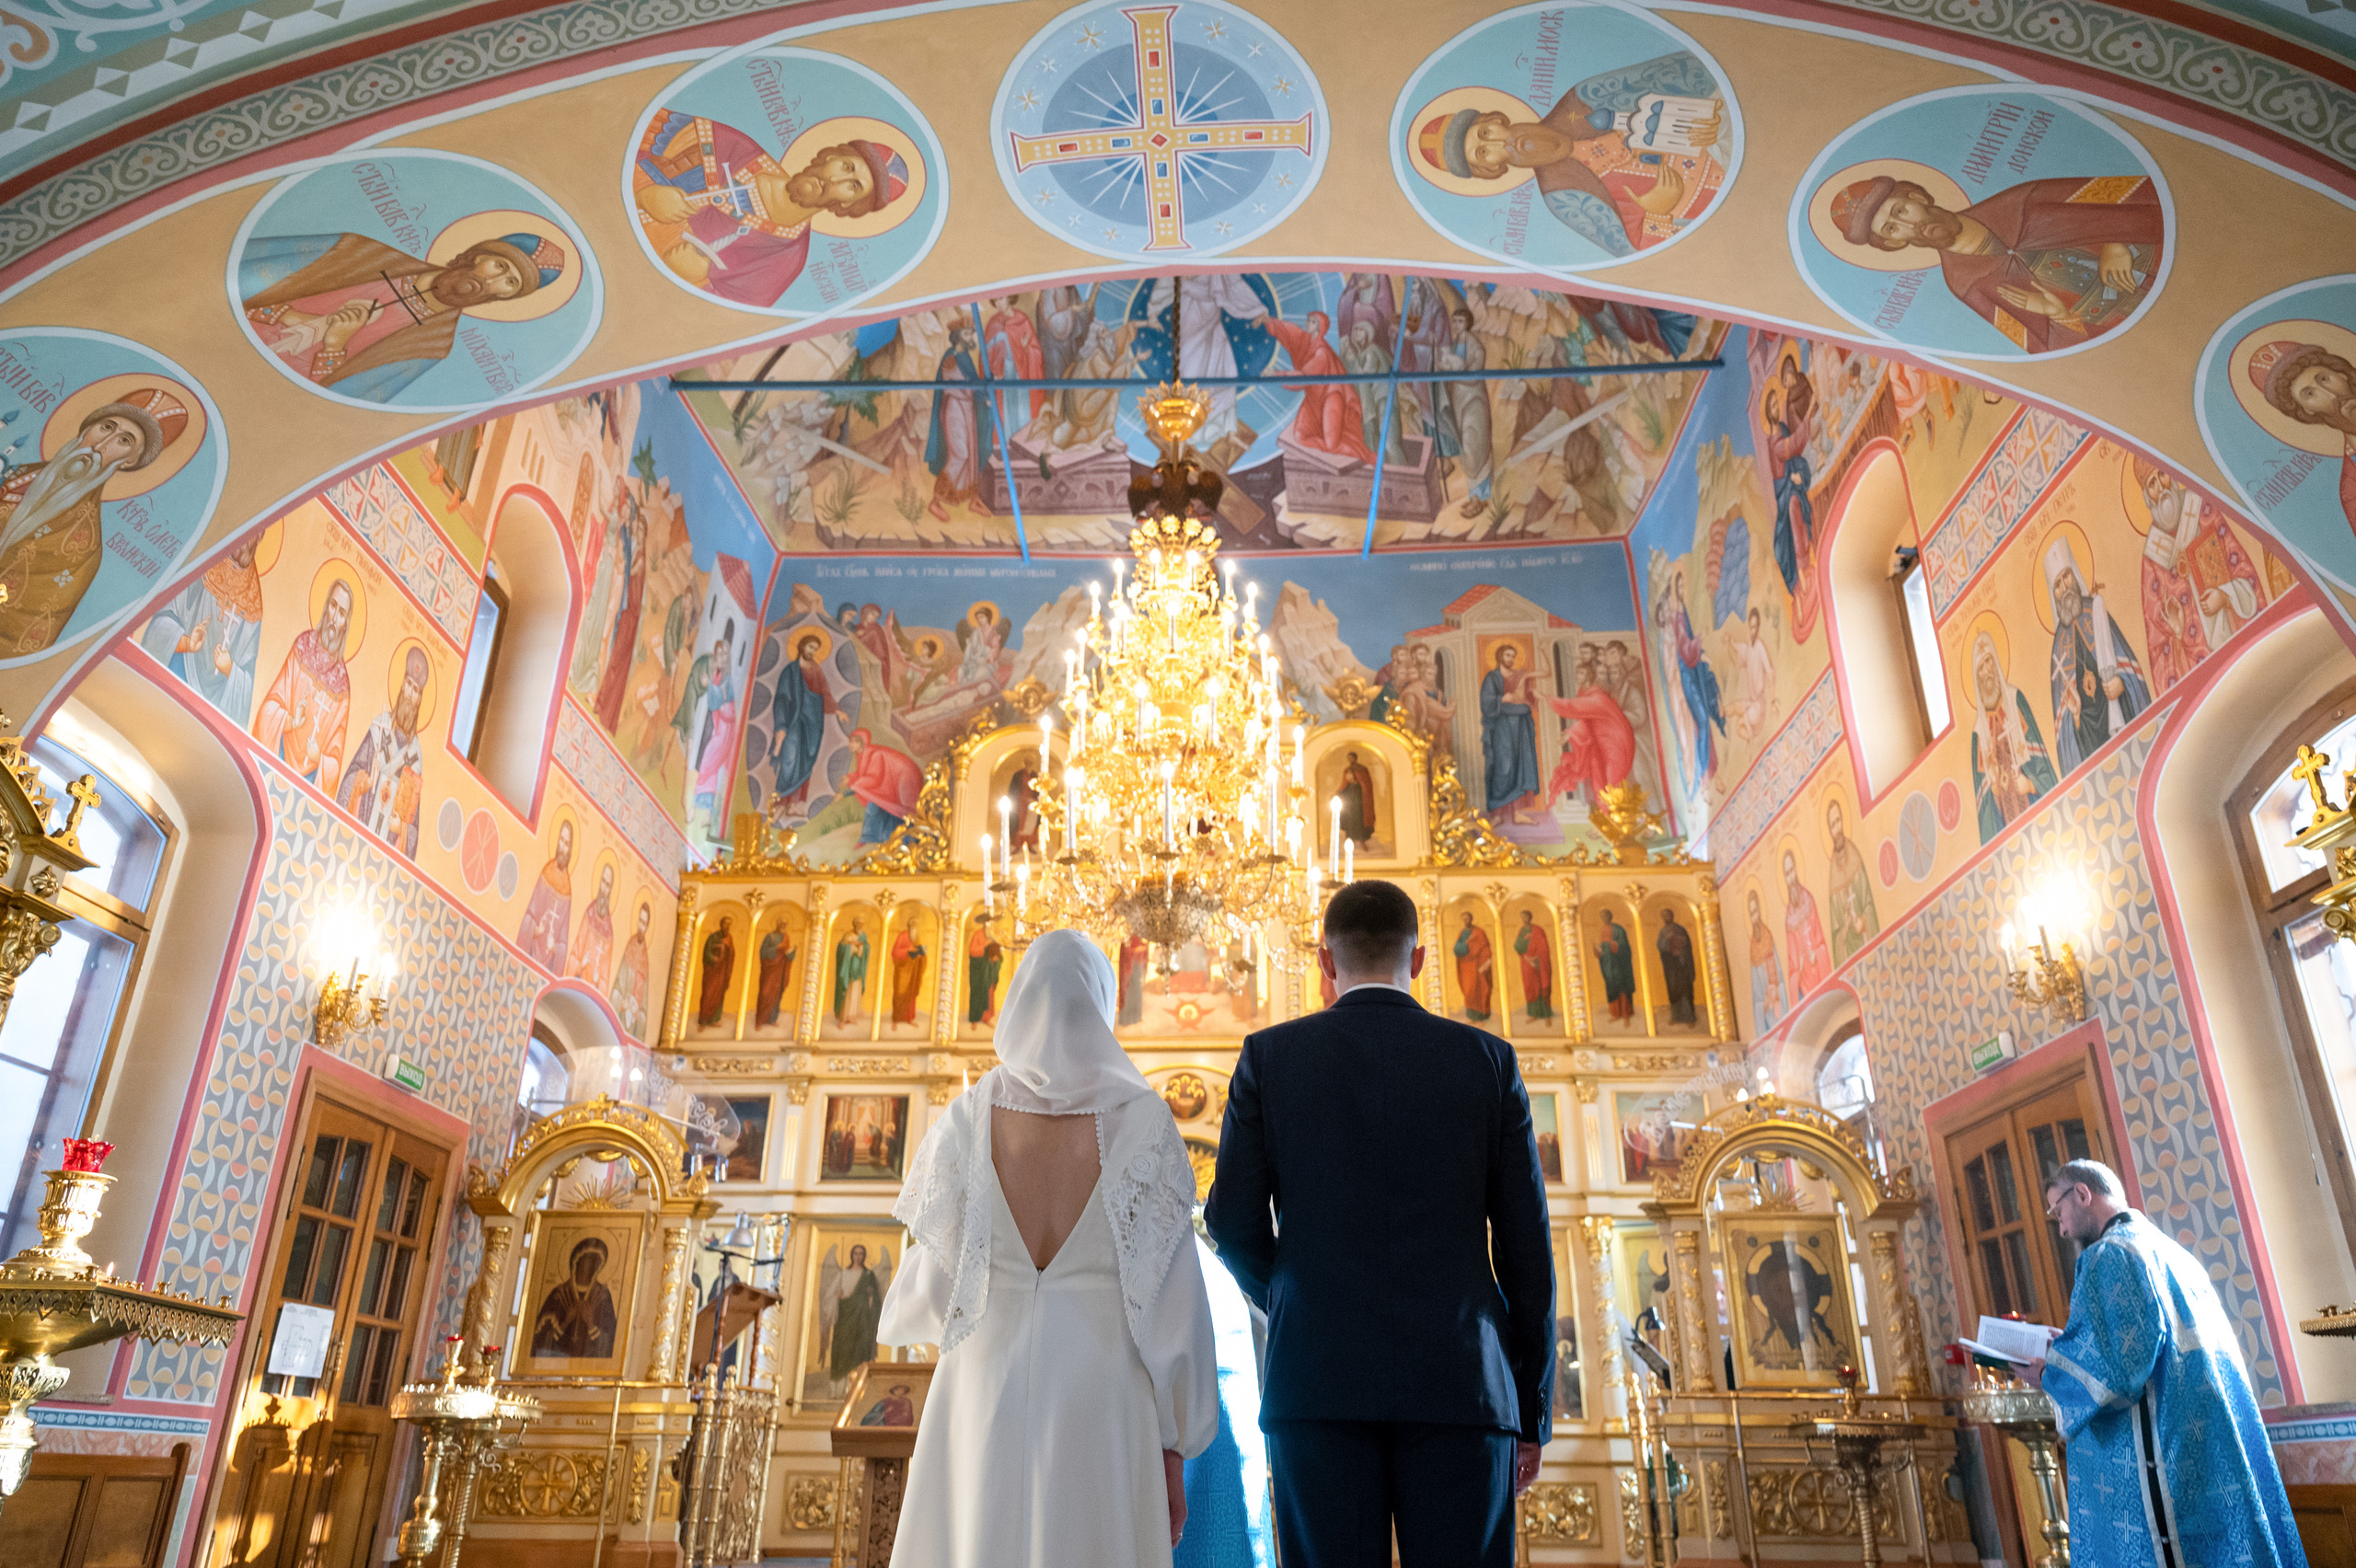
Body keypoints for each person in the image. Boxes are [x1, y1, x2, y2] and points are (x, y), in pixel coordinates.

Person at [1207, 880, 1553, 1567]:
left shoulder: (1270, 1058)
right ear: (1420, 959)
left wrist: (1294, 1293)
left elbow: (1232, 1222)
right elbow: (1527, 1251)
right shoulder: (1488, 1061)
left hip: (1317, 1380)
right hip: (1464, 1385)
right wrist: (1531, 1406)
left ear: (1324, 962)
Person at [878, 930, 1218, 1566]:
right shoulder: (1144, 1122)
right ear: (1102, 1005)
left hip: (981, 1376)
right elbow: (1175, 1310)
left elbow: (930, 1291)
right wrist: (1176, 1440)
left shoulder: (967, 1116)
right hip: (1103, 1385)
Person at [2012, 1160, 2306, 1568]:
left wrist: (2048, 1372)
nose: (2061, 1228)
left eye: (2057, 1212)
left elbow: (2118, 1370)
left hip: (2165, 1460)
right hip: (2211, 1450)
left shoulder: (2107, 1256)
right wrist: (2068, 1345)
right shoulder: (2173, 1253)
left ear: (2082, 1194)